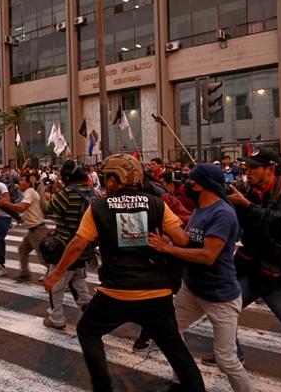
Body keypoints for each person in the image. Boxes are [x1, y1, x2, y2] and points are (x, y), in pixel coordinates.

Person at [43, 154, 204, 392]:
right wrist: (162, 242)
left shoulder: (99, 207)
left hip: (116, 293)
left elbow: (77, 244)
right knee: (177, 352)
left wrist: (56, 273)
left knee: (87, 331)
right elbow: (182, 239)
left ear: (113, 179)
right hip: (156, 293)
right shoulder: (156, 203)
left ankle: (103, 387)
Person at [149, 163, 255, 392]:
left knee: (226, 358)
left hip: (220, 296)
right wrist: (165, 240)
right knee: (169, 331)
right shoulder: (199, 209)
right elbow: (189, 241)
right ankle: (184, 375)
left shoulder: (223, 214)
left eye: (191, 181)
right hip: (192, 288)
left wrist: (166, 249)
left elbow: (208, 255)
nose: (186, 184)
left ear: (204, 185)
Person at [228, 149, 281, 360]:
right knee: (223, 309)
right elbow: (248, 227)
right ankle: (231, 356)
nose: (248, 171)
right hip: (252, 264)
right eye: (247, 166)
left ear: (270, 170)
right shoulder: (254, 190)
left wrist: (246, 204)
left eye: (254, 167)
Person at [42, 160, 92, 330]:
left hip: (66, 247)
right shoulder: (91, 191)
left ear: (68, 176)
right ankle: (90, 313)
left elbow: (47, 208)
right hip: (85, 246)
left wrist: (50, 190)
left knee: (55, 284)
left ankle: (56, 317)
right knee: (78, 281)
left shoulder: (68, 193)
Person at [0, 173, 48, 282]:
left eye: (22, 180)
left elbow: (22, 207)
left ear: (29, 183)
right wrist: (23, 219)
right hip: (33, 230)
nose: (19, 182)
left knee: (43, 256)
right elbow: (29, 209)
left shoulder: (29, 192)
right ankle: (25, 273)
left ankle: (57, 274)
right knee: (23, 249)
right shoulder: (29, 192)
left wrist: (5, 204)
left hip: (37, 230)